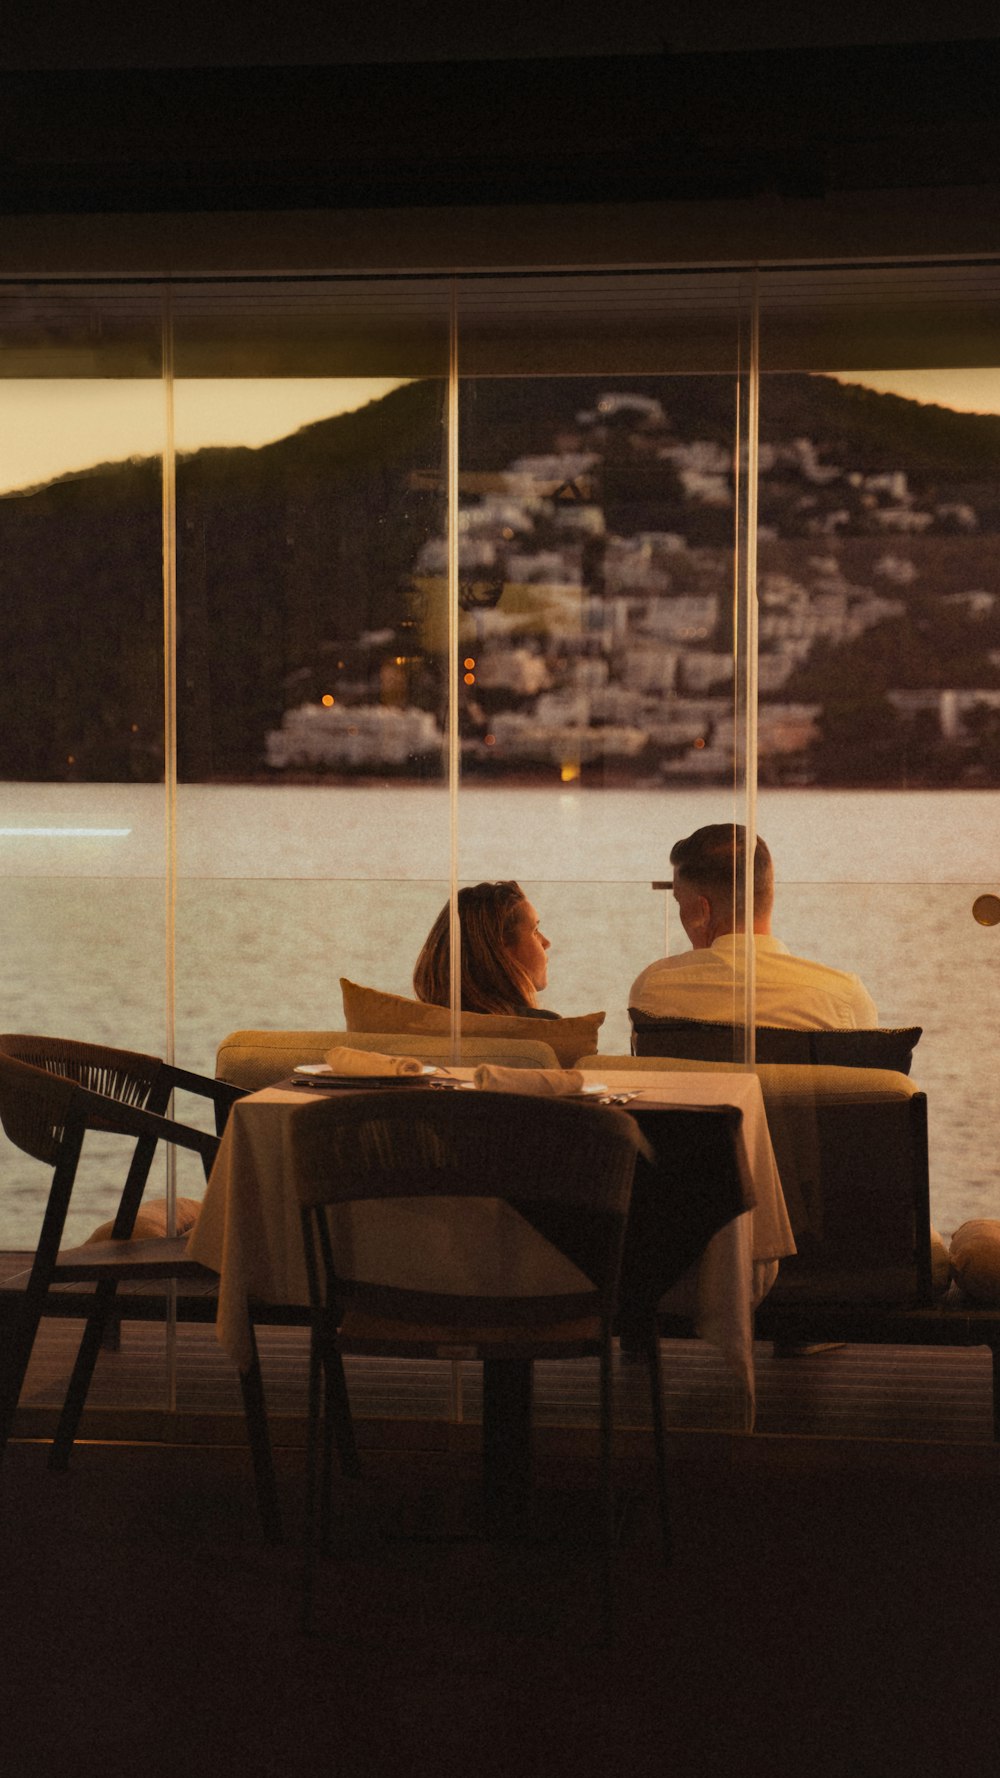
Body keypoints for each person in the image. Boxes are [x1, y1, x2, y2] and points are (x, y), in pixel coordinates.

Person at [629, 824, 879, 1028]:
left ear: (702, 911)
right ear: (769, 894)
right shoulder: (844, 998)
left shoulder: (654, 987)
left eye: (679, 902)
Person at [413, 879, 558, 1018]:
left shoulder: (415, 1028)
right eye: (535, 930)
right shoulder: (544, 1028)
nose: (546, 943)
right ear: (500, 946)